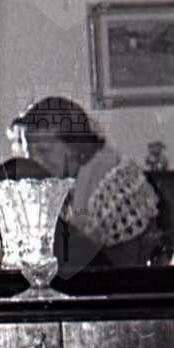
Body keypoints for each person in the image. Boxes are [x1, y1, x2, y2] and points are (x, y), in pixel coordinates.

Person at [9, 96, 169, 271]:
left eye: (43, 151)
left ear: (73, 146)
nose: (33, 160)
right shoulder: (63, 182)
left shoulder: (112, 184)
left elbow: (119, 268)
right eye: (28, 153)